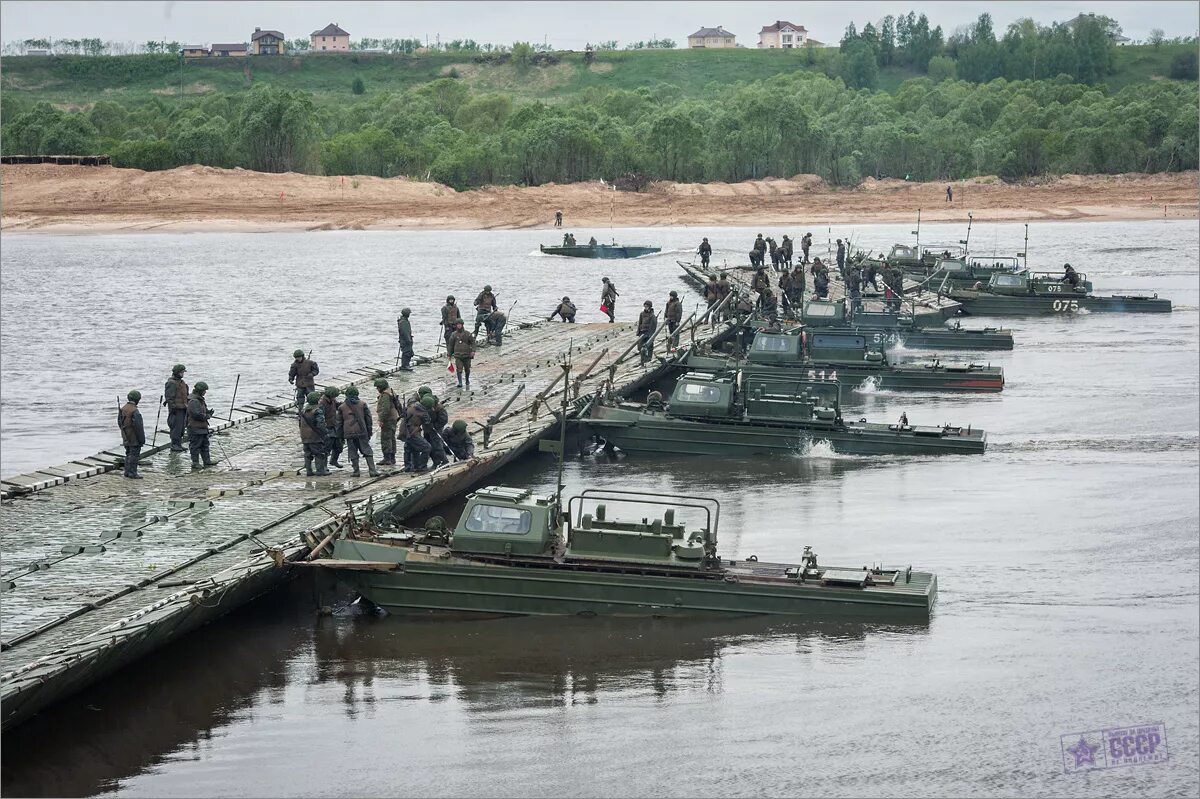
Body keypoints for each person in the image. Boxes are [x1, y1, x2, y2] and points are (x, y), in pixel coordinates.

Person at [338, 386, 379, 477]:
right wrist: (369, 432)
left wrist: (341, 436)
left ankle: (356, 471)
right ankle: (372, 471)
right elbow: (369, 420)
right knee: (367, 451)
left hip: (349, 433)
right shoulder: (362, 404)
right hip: (361, 431)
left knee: (352, 452)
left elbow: (339, 423)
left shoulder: (342, 407)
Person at [299, 392, 330, 477]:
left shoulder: (303, 410)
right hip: (315, 436)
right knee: (319, 453)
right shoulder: (317, 410)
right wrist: (325, 433)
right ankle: (320, 470)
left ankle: (309, 471)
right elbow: (320, 424)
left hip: (304, 436)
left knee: (307, 453)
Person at [187, 381, 216, 469]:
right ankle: (195, 462)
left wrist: (208, 412)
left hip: (202, 427)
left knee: (205, 445)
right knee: (195, 446)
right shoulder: (193, 401)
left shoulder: (200, 400)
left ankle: (207, 461)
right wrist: (206, 416)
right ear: (200, 390)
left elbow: (202, 411)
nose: (205, 392)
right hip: (195, 427)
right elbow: (196, 414)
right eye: (204, 390)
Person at [117, 390, 145, 479]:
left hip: (125, 435)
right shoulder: (135, 411)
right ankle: (132, 473)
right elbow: (139, 427)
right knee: (134, 455)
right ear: (137, 399)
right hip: (134, 437)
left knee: (128, 453)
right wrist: (142, 439)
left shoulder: (123, 408)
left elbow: (119, 422)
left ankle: (127, 471)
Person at [402, 392, 433, 471]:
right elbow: (427, 422)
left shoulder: (413, 406)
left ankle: (411, 467)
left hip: (406, 431)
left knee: (412, 449)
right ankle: (421, 467)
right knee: (427, 448)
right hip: (413, 433)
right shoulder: (422, 412)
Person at [374, 378, 401, 466]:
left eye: (378, 387)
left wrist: (381, 419)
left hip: (388, 419)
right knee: (391, 438)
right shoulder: (391, 392)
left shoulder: (385, 395)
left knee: (386, 438)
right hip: (393, 418)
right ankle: (392, 458)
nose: (377, 389)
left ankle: (387, 458)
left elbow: (385, 409)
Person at [163, 363, 189, 452]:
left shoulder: (182, 383)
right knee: (176, 428)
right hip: (176, 409)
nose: (183, 374)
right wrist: (173, 408)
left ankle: (178, 444)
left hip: (183, 408)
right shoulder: (171, 383)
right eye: (181, 372)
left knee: (181, 428)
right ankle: (174, 445)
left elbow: (186, 395)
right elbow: (169, 398)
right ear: (177, 372)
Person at [318, 385, 344, 468]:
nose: (335, 398)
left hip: (334, 426)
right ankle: (323, 466)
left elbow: (337, 405)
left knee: (338, 446)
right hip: (327, 427)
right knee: (326, 448)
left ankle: (333, 460)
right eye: (334, 396)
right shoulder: (322, 403)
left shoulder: (332, 400)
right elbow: (320, 417)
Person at [449, 319, 476, 389]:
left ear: (462, 325)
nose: (459, 326)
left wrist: (473, 351)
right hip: (458, 355)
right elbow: (451, 345)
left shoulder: (467, 334)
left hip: (467, 355)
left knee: (467, 369)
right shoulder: (453, 334)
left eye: (460, 324)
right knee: (459, 369)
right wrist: (449, 353)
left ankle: (467, 380)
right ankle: (460, 382)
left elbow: (473, 343)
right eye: (457, 324)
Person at [423, 394, 449, 467]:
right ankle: (436, 461)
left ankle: (444, 461)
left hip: (436, 429)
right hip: (427, 429)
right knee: (428, 446)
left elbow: (444, 420)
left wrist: (434, 426)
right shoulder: (426, 405)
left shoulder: (439, 408)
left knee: (437, 445)